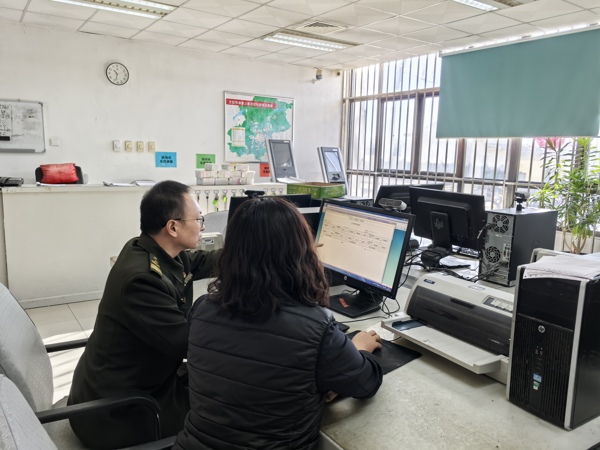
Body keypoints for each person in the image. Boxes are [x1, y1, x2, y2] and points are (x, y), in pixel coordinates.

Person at [174, 196, 383, 450]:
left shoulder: (201, 309)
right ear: (300, 253)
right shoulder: (316, 327)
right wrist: (360, 348)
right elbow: (365, 383)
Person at [68, 180, 220, 449]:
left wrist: (251, 251)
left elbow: (203, 262)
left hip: (139, 381)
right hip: (118, 412)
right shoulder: (141, 280)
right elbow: (188, 344)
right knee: (227, 409)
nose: (203, 226)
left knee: (220, 387)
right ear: (172, 227)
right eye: (198, 219)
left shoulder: (153, 248)